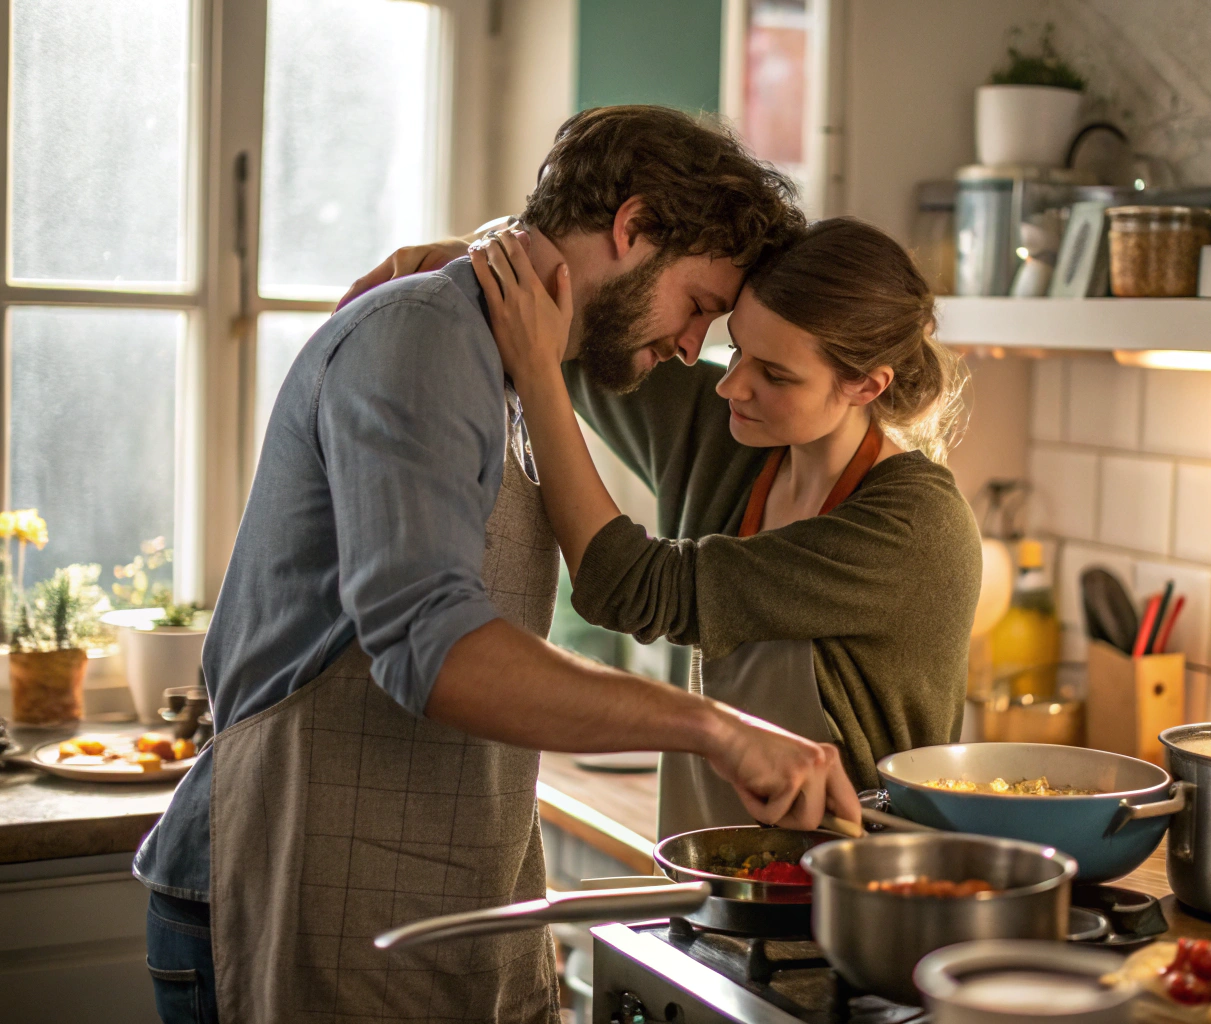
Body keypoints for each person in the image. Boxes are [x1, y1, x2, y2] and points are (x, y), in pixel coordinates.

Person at [132, 105, 860, 1024]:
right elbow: (432, 649)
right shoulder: (422, 337)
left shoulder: (517, 353)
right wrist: (715, 728)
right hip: (289, 884)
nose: (692, 349)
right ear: (633, 226)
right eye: (699, 307)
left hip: (425, 894)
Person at [362, 216, 983, 841]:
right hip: (704, 875)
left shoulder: (914, 524)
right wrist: (488, 255)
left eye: (775, 374)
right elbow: (573, 326)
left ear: (866, 385)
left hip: (855, 889)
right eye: (735, 350)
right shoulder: (726, 432)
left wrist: (537, 372)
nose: (733, 385)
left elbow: (629, 586)